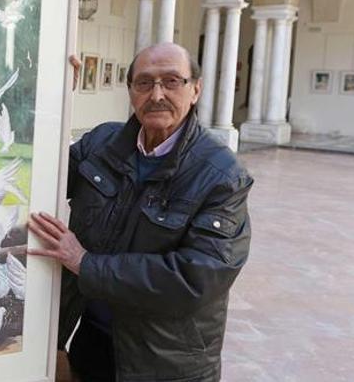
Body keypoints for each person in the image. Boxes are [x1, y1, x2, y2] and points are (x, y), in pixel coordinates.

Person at [29, 43, 253, 382]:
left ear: (196, 90)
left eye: (172, 81)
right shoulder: (102, 143)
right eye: (144, 82)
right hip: (93, 347)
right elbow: (38, 177)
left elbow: (197, 277)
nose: (157, 94)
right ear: (131, 91)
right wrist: (52, 103)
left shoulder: (222, 174)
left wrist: (85, 263)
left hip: (163, 364)